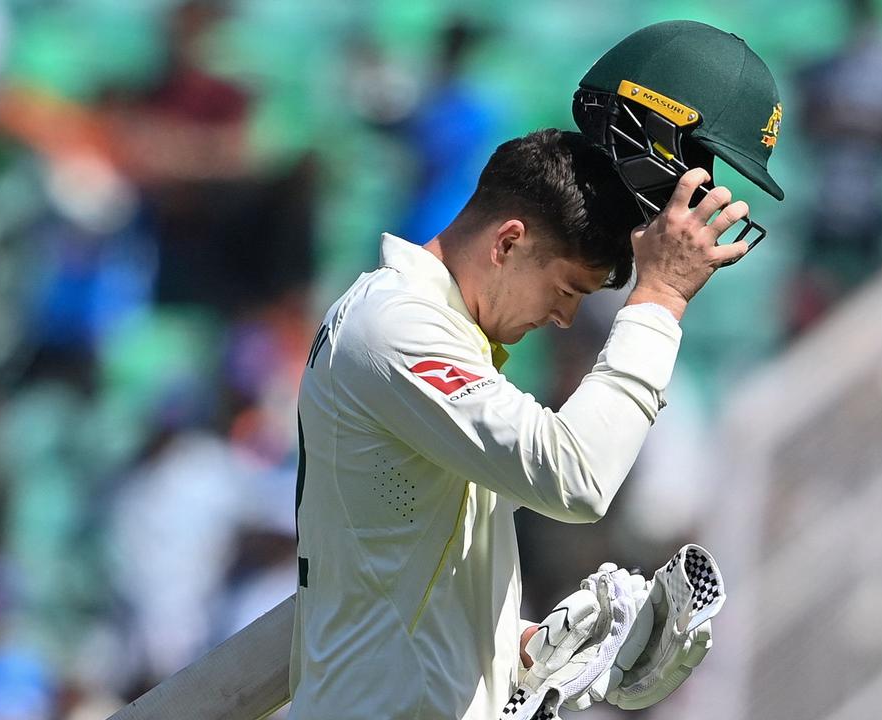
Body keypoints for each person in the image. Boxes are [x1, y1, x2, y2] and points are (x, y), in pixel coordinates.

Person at [289, 21, 785, 720]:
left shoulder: (423, 332)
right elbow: (575, 478)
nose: (561, 321)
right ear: (510, 242)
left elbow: (381, 585)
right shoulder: (394, 327)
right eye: (567, 292)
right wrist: (660, 297)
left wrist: (520, 648)